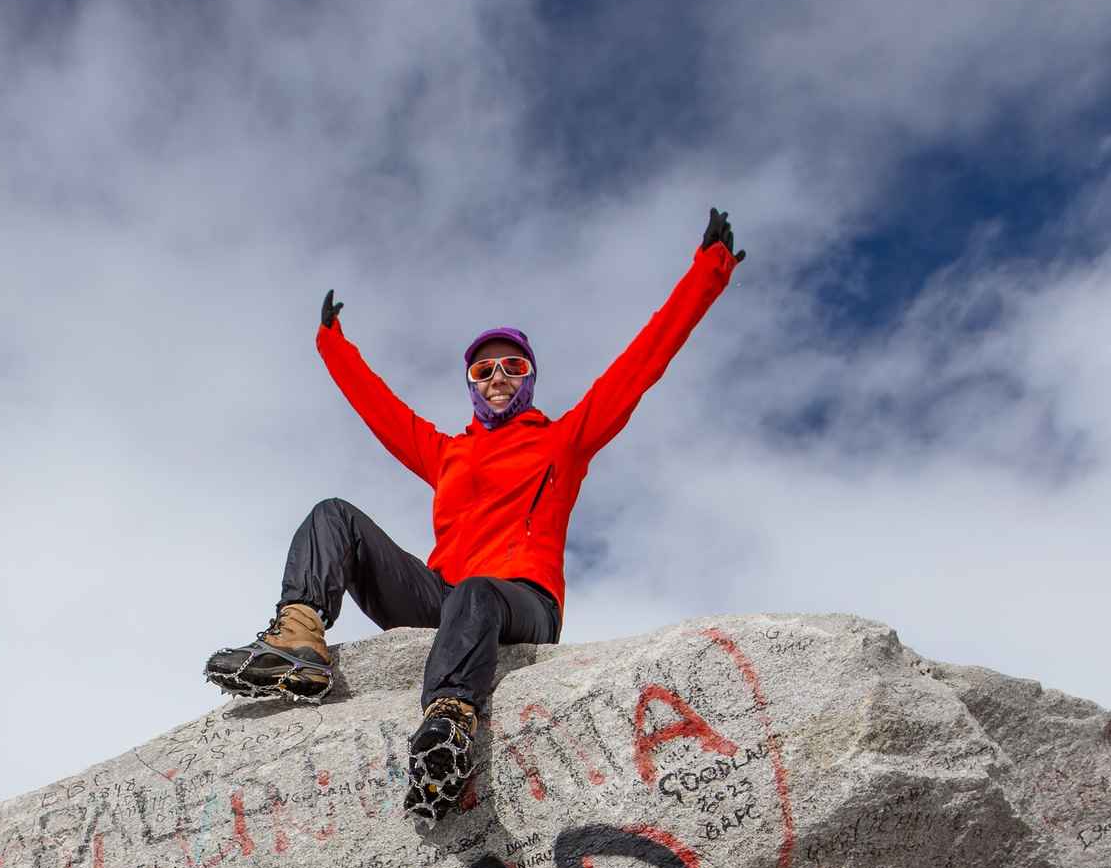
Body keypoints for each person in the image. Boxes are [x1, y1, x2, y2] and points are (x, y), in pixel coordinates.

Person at [206, 209, 744, 824]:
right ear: (470, 380)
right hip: (445, 597)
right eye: (483, 369)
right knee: (334, 516)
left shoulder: (562, 441)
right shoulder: (447, 453)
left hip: (521, 601)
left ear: (529, 379)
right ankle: (299, 639)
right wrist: (333, 344)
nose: (496, 378)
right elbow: (383, 411)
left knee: (478, 594)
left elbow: (641, 362)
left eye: (512, 368)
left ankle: (450, 727)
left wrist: (709, 272)